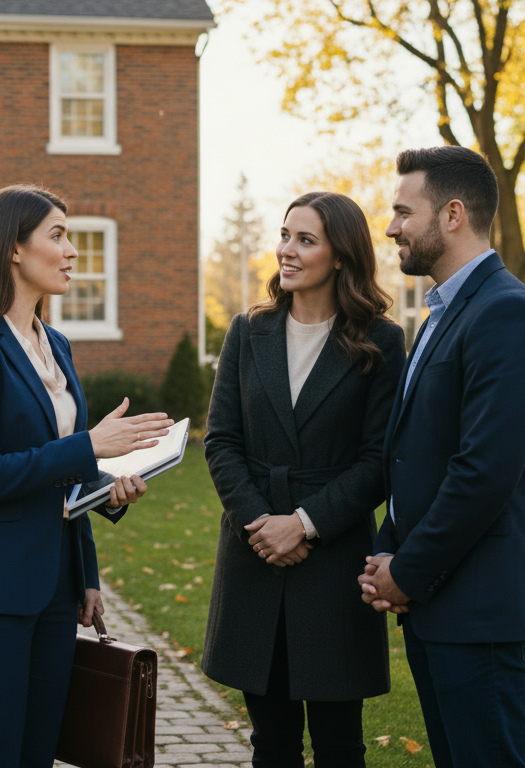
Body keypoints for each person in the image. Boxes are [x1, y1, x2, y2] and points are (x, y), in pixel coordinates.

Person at [0, 185, 174, 767]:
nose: (72, 251)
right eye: (57, 235)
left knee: (39, 754)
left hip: (56, 591)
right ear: (13, 248)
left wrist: (109, 495)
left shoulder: (55, 344)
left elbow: (64, 477)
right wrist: (89, 446)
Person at [358, 146, 525, 768]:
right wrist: (390, 551)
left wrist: (407, 573)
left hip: (482, 608)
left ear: (451, 215)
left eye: (401, 211)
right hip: (439, 603)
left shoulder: (506, 313)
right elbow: (416, 456)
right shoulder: (443, 313)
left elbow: (483, 474)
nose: (390, 228)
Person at [201, 192, 405, 767]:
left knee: (340, 744)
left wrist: (305, 524)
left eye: (305, 239)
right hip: (254, 554)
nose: (286, 250)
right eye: (285, 235)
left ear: (341, 255)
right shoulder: (249, 330)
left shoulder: (381, 341)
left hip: (334, 560)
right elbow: (222, 441)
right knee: (271, 742)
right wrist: (259, 524)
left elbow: (377, 461)